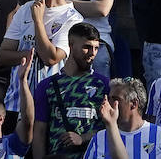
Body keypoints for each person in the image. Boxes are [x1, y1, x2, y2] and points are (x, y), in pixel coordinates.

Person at [0, 0, 84, 117]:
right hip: (15, 106)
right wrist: (33, 54)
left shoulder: (73, 18)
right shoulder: (24, 10)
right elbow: (3, 55)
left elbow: (51, 58)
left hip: (51, 109)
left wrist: (38, 20)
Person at [28, 24, 108, 159]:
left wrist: (83, 138)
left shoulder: (103, 85)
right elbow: (39, 132)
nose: (92, 53)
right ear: (70, 45)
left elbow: (113, 128)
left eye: (96, 48)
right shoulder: (47, 86)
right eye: (86, 47)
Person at [85, 77, 161, 159]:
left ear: (134, 104)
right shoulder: (99, 138)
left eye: (115, 99)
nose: (108, 105)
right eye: (109, 99)